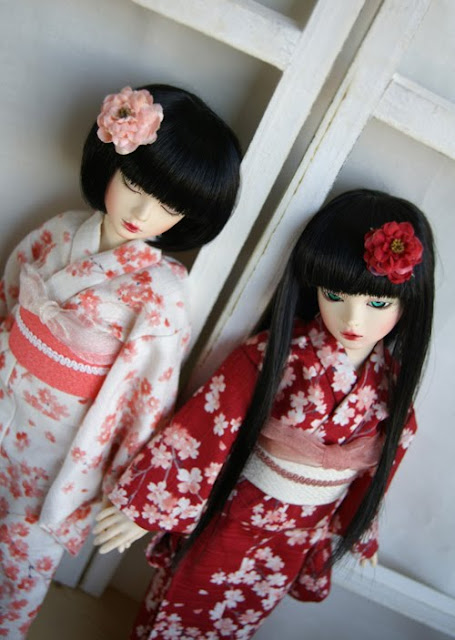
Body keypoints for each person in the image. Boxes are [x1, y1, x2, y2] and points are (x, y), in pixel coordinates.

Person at [94, 189, 435, 640]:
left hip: (296, 537)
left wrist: (359, 529)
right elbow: (206, 429)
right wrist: (147, 508)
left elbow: (379, 470)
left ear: (409, 304)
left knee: (240, 619)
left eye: (377, 303)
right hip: (234, 519)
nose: (353, 319)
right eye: (335, 295)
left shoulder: (390, 392)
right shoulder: (272, 357)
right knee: (184, 602)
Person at [0, 83, 241, 637]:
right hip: (7, 390)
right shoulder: (61, 231)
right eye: (134, 184)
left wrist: (133, 491)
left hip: (58, 447)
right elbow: (11, 295)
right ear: (111, 161)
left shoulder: (163, 292)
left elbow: (149, 397)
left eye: (168, 205)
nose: (142, 211)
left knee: (20, 559)